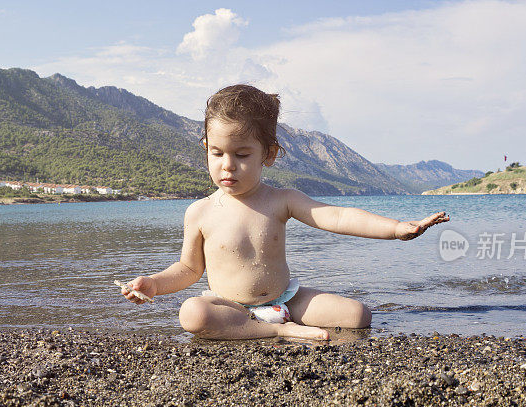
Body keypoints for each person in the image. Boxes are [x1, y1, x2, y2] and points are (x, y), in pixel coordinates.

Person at [122, 84, 449, 340]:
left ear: (270, 154)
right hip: (231, 308)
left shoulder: (282, 199)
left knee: (358, 316)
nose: (228, 165)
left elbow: (336, 216)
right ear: (206, 148)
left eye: (242, 154)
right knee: (192, 314)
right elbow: (189, 269)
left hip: (286, 300)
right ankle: (278, 331)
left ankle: (280, 322)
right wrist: (153, 283)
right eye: (218, 153)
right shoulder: (200, 211)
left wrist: (396, 228)